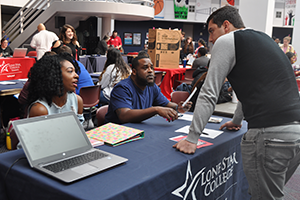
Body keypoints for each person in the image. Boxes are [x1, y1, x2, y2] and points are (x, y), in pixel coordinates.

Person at [174, 6, 300, 200]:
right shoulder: (264, 38)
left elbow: (209, 92)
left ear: (226, 26)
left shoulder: (227, 41)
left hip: (270, 135)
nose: (210, 39)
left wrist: (192, 138)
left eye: (211, 31)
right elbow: (251, 89)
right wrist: (237, 120)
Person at [105, 55, 192, 124]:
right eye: (145, 68)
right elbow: (124, 116)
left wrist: (178, 107)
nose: (150, 71)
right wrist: (155, 110)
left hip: (139, 129)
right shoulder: (122, 88)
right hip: (119, 133)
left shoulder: (151, 86)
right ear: (134, 72)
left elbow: (166, 104)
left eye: (152, 68)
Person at [27, 52, 84, 124]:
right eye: (70, 71)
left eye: (75, 71)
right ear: (54, 75)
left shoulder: (77, 100)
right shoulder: (40, 109)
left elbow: (80, 130)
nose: (76, 76)